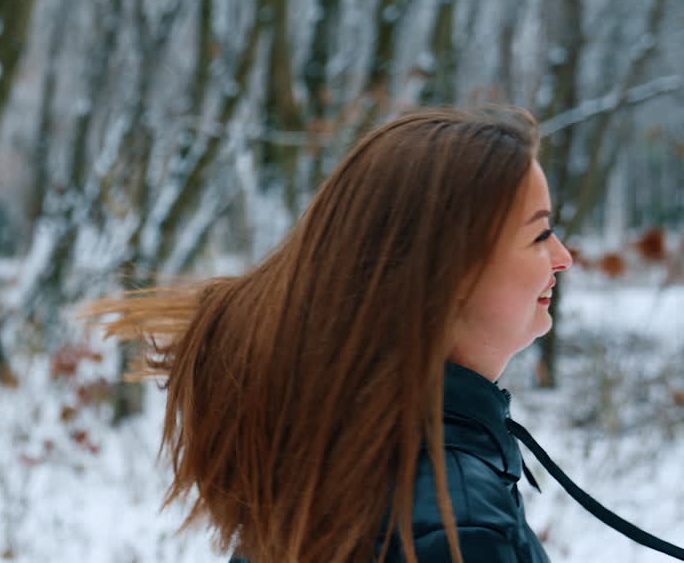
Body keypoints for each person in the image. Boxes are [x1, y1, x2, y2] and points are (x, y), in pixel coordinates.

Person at [83, 106, 568, 563]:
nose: (563, 257)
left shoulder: (333, 455)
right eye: (539, 236)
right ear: (443, 271)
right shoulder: (459, 526)